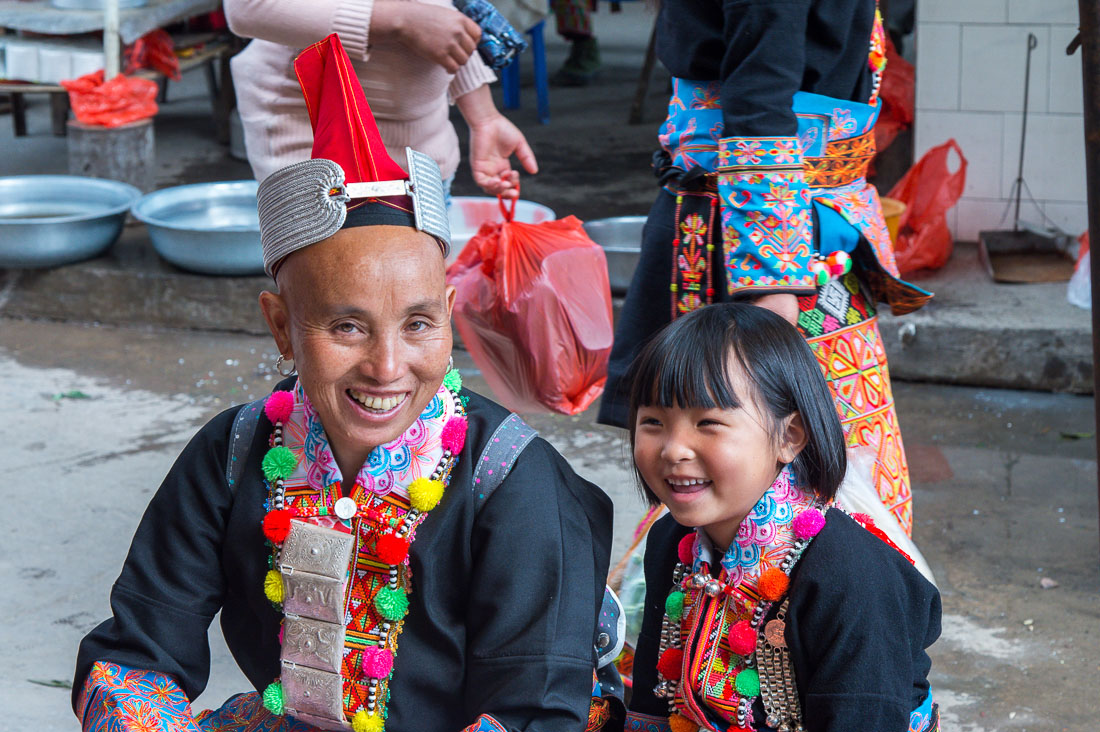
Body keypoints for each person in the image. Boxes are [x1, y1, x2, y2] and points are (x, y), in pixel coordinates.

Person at [73, 34, 611, 732]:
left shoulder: (514, 484)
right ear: (280, 327)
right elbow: (136, 656)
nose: (388, 367)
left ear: (448, 315)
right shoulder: (235, 453)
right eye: (348, 328)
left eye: (418, 325)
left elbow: (534, 714)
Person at [597, 0, 931, 536]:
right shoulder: (775, 278)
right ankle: (757, 611)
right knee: (770, 461)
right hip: (769, 236)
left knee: (786, 462)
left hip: (783, 224)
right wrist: (774, 279)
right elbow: (759, 87)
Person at [622, 303, 940, 732]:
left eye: (708, 422)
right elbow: (653, 695)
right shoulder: (671, 543)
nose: (673, 449)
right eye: (654, 421)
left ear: (788, 438)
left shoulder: (851, 577)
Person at [225, 0, 538, 199]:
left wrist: (483, 116)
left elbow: (445, 14)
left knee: (417, 298)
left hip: (424, 161)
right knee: (336, 300)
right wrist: (397, 19)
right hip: (316, 156)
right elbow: (249, 8)